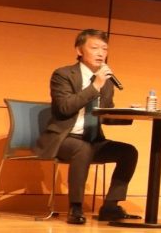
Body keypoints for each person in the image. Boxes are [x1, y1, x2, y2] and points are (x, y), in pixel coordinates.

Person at [35, 29, 140, 225]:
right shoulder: (63, 75)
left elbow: (105, 117)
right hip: (64, 139)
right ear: (79, 50)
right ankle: (75, 207)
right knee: (82, 148)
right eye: (95, 48)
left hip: (93, 140)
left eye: (104, 49)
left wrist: (130, 114)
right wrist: (95, 86)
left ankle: (110, 206)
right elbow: (65, 108)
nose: (101, 53)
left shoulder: (106, 82)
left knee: (128, 152)